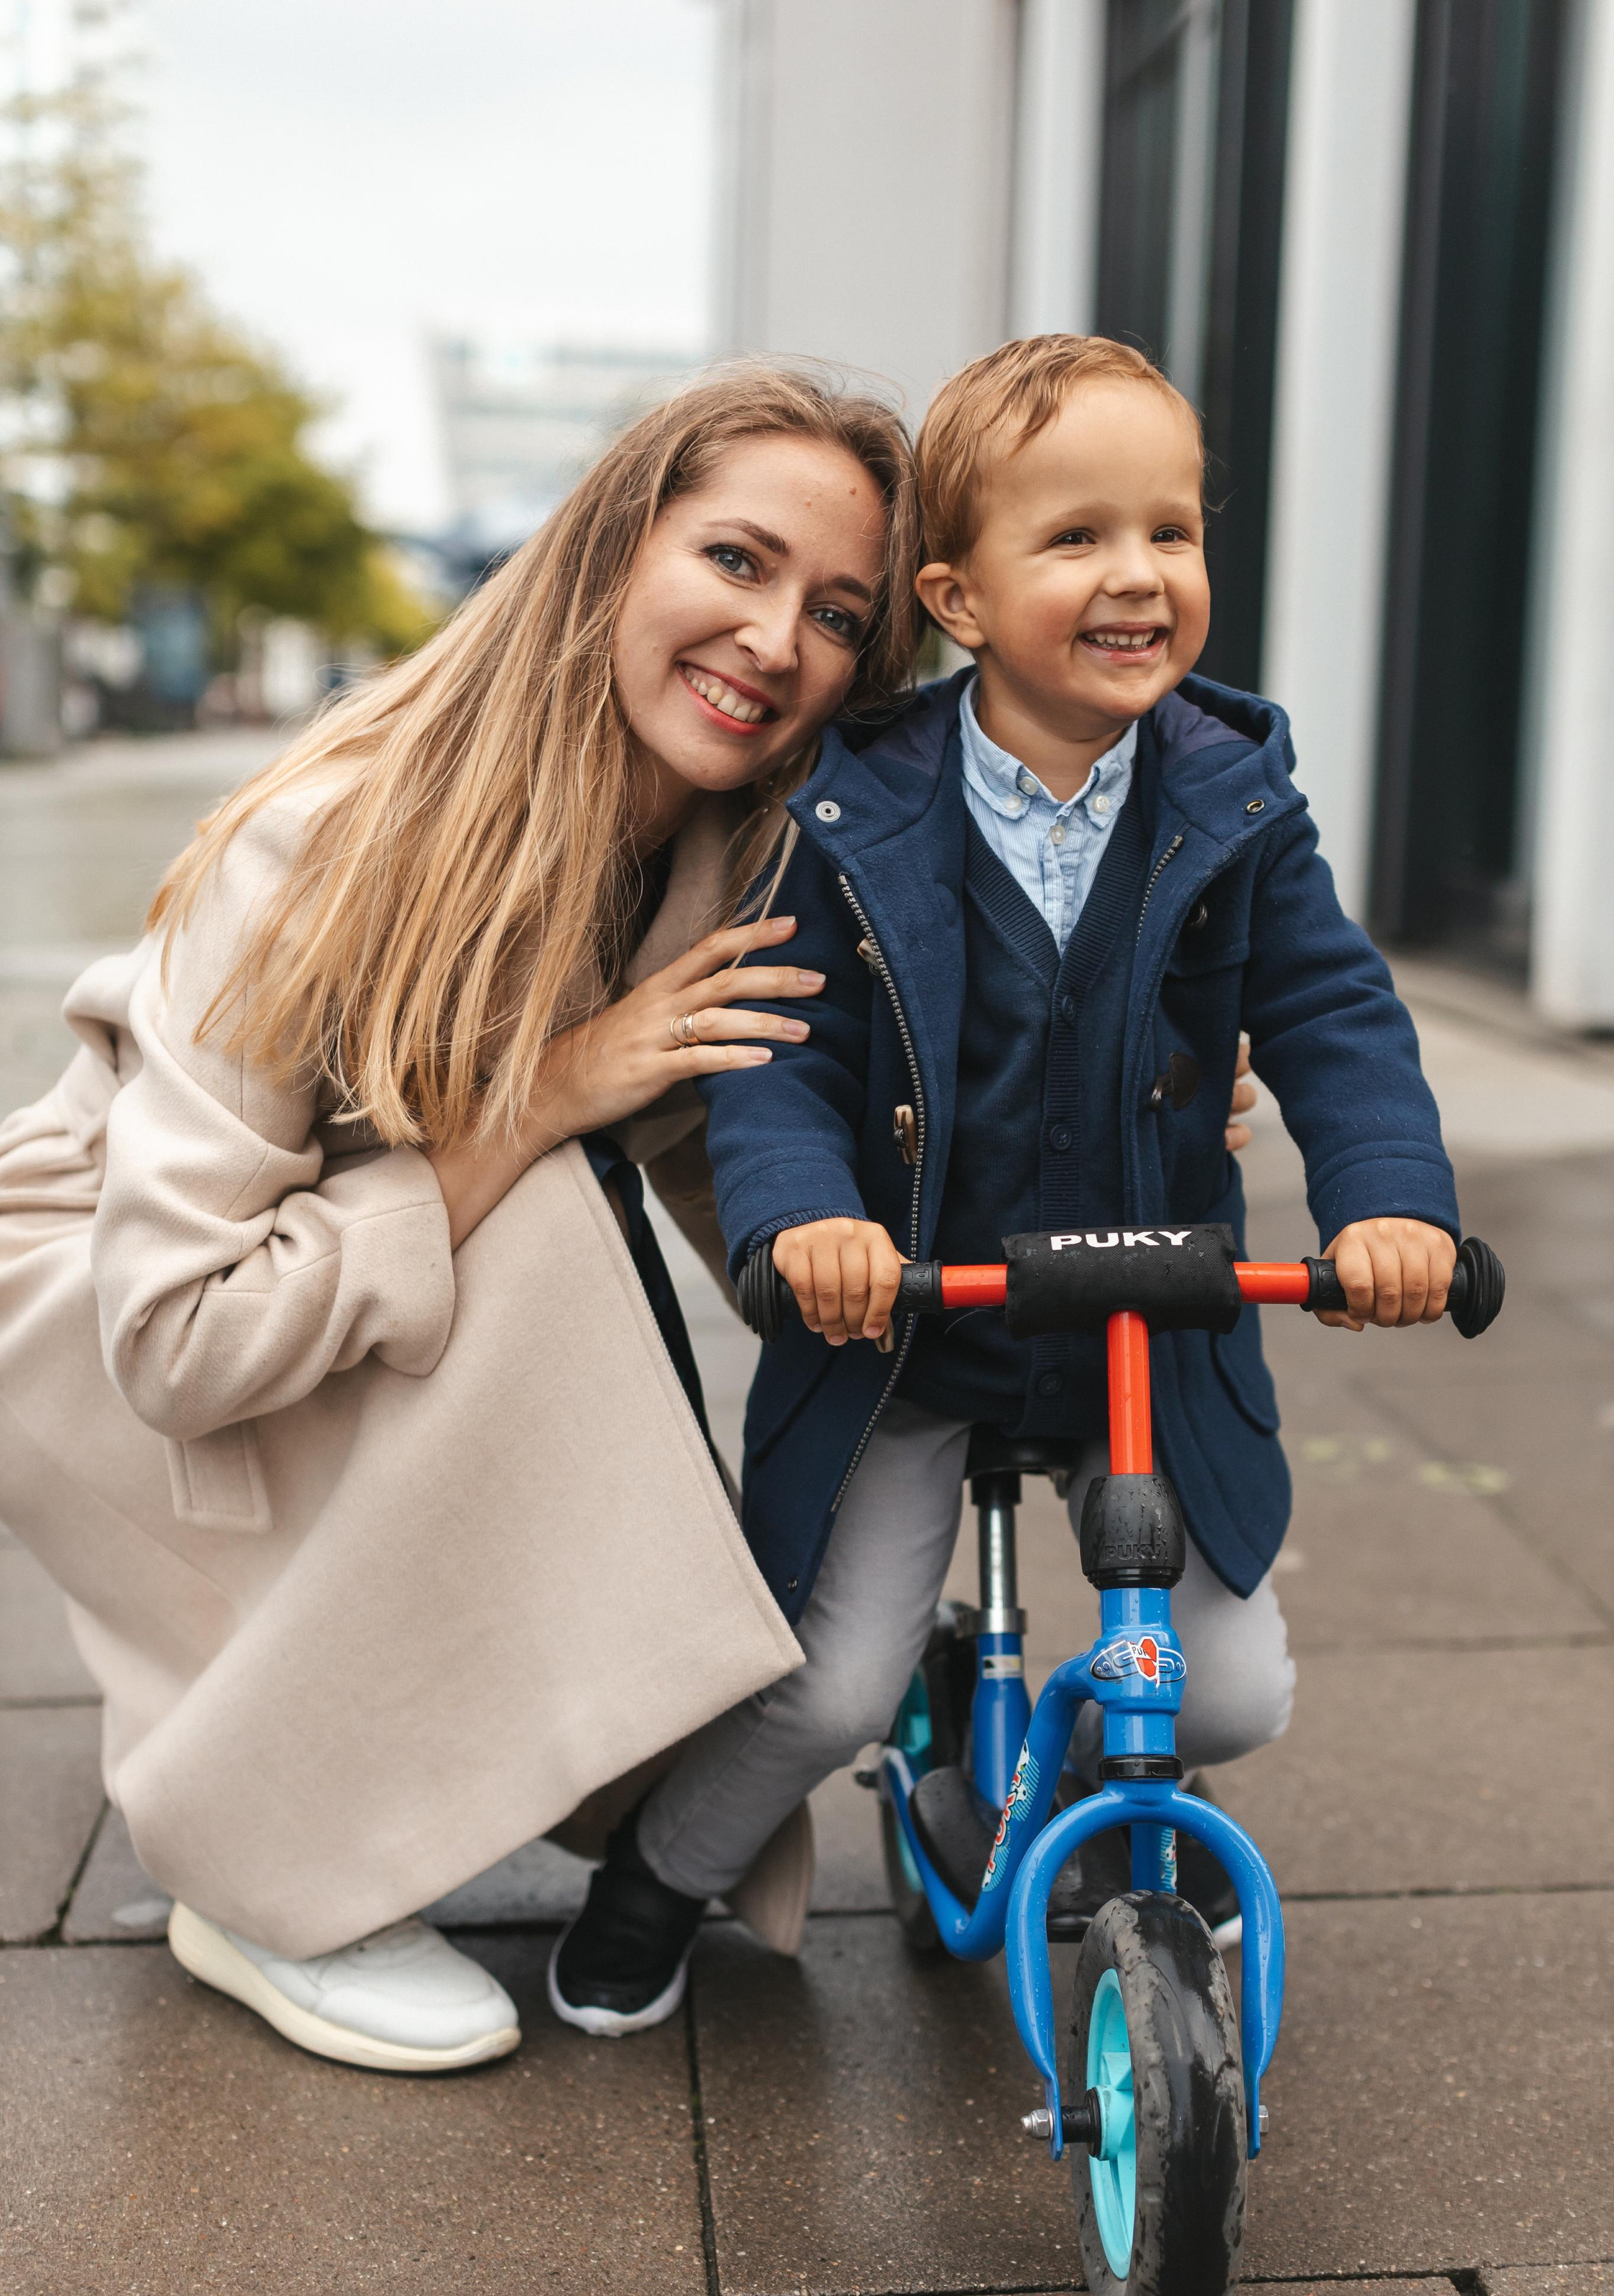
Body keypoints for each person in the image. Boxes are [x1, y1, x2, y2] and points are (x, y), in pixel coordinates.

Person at [0, 363, 925, 2072]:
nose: (777, 638)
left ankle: (387, 1752)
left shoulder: (724, 857)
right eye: (736, 559)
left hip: (299, 1280)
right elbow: (175, 1340)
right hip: (100, 1308)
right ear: (612, 550)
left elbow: (756, 1194)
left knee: (575, 1231)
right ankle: (265, 1868)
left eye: (839, 613)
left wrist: (1118, 1125)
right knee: (547, 1231)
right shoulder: (325, 844)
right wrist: (551, 1092)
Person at [550, 334, 1459, 2036]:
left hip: (1145, 1325)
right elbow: (781, 1052)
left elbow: (1333, 1011)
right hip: (910, 1324)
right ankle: (660, 1875)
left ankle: (1090, 1780)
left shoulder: (1235, 796)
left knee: (1231, 1693)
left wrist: (1389, 1202)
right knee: (829, 1687)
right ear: (958, 600)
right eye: (1079, 538)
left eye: (1171, 531)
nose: (1139, 575)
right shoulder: (854, 807)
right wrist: (806, 1223)